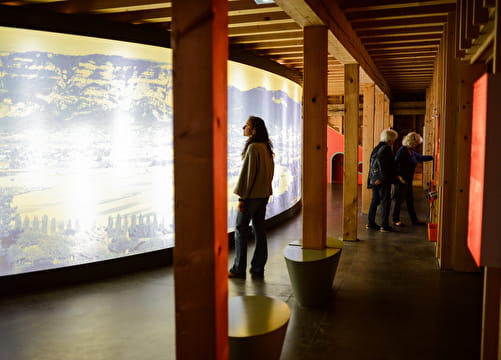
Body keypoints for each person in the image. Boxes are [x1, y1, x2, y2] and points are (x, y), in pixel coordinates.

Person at [229, 116, 274, 279]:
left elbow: (248, 176)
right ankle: (257, 267)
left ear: (253, 129)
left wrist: (242, 198)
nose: (243, 127)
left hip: (252, 197)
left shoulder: (253, 148)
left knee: (241, 229)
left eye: (246, 125)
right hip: (264, 195)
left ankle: (238, 269)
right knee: (259, 230)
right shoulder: (266, 147)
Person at [392, 132, 433, 226]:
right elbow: (395, 164)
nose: (418, 145)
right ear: (413, 142)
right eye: (417, 143)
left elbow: (420, 158)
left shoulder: (412, 151)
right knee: (399, 201)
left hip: (409, 181)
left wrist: (433, 157)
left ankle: (414, 220)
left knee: (410, 200)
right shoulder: (402, 151)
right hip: (402, 181)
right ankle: (395, 220)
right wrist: (398, 177)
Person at [367, 128, 399, 232]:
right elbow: (384, 166)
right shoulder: (386, 148)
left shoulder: (376, 147)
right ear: (390, 139)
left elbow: (373, 165)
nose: (394, 141)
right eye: (393, 139)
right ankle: (384, 225)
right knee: (386, 201)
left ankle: (370, 223)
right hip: (383, 180)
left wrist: (374, 178)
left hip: (374, 179)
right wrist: (381, 178)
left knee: (375, 200)